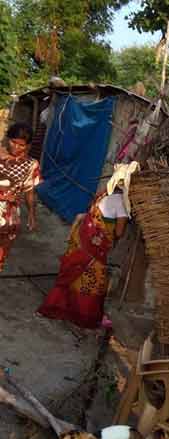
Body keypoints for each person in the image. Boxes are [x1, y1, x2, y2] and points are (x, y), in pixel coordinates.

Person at [36, 168, 132, 329]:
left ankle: (59, 305)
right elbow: (119, 232)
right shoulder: (121, 204)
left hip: (81, 240)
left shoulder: (103, 195)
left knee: (73, 274)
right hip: (94, 248)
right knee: (92, 281)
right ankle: (82, 314)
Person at [0, 123, 41, 272]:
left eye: (21, 145)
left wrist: (31, 214)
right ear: (7, 138)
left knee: (2, 251)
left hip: (9, 216)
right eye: (13, 142)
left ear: (28, 146)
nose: (16, 147)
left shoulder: (31, 165)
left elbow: (29, 191)